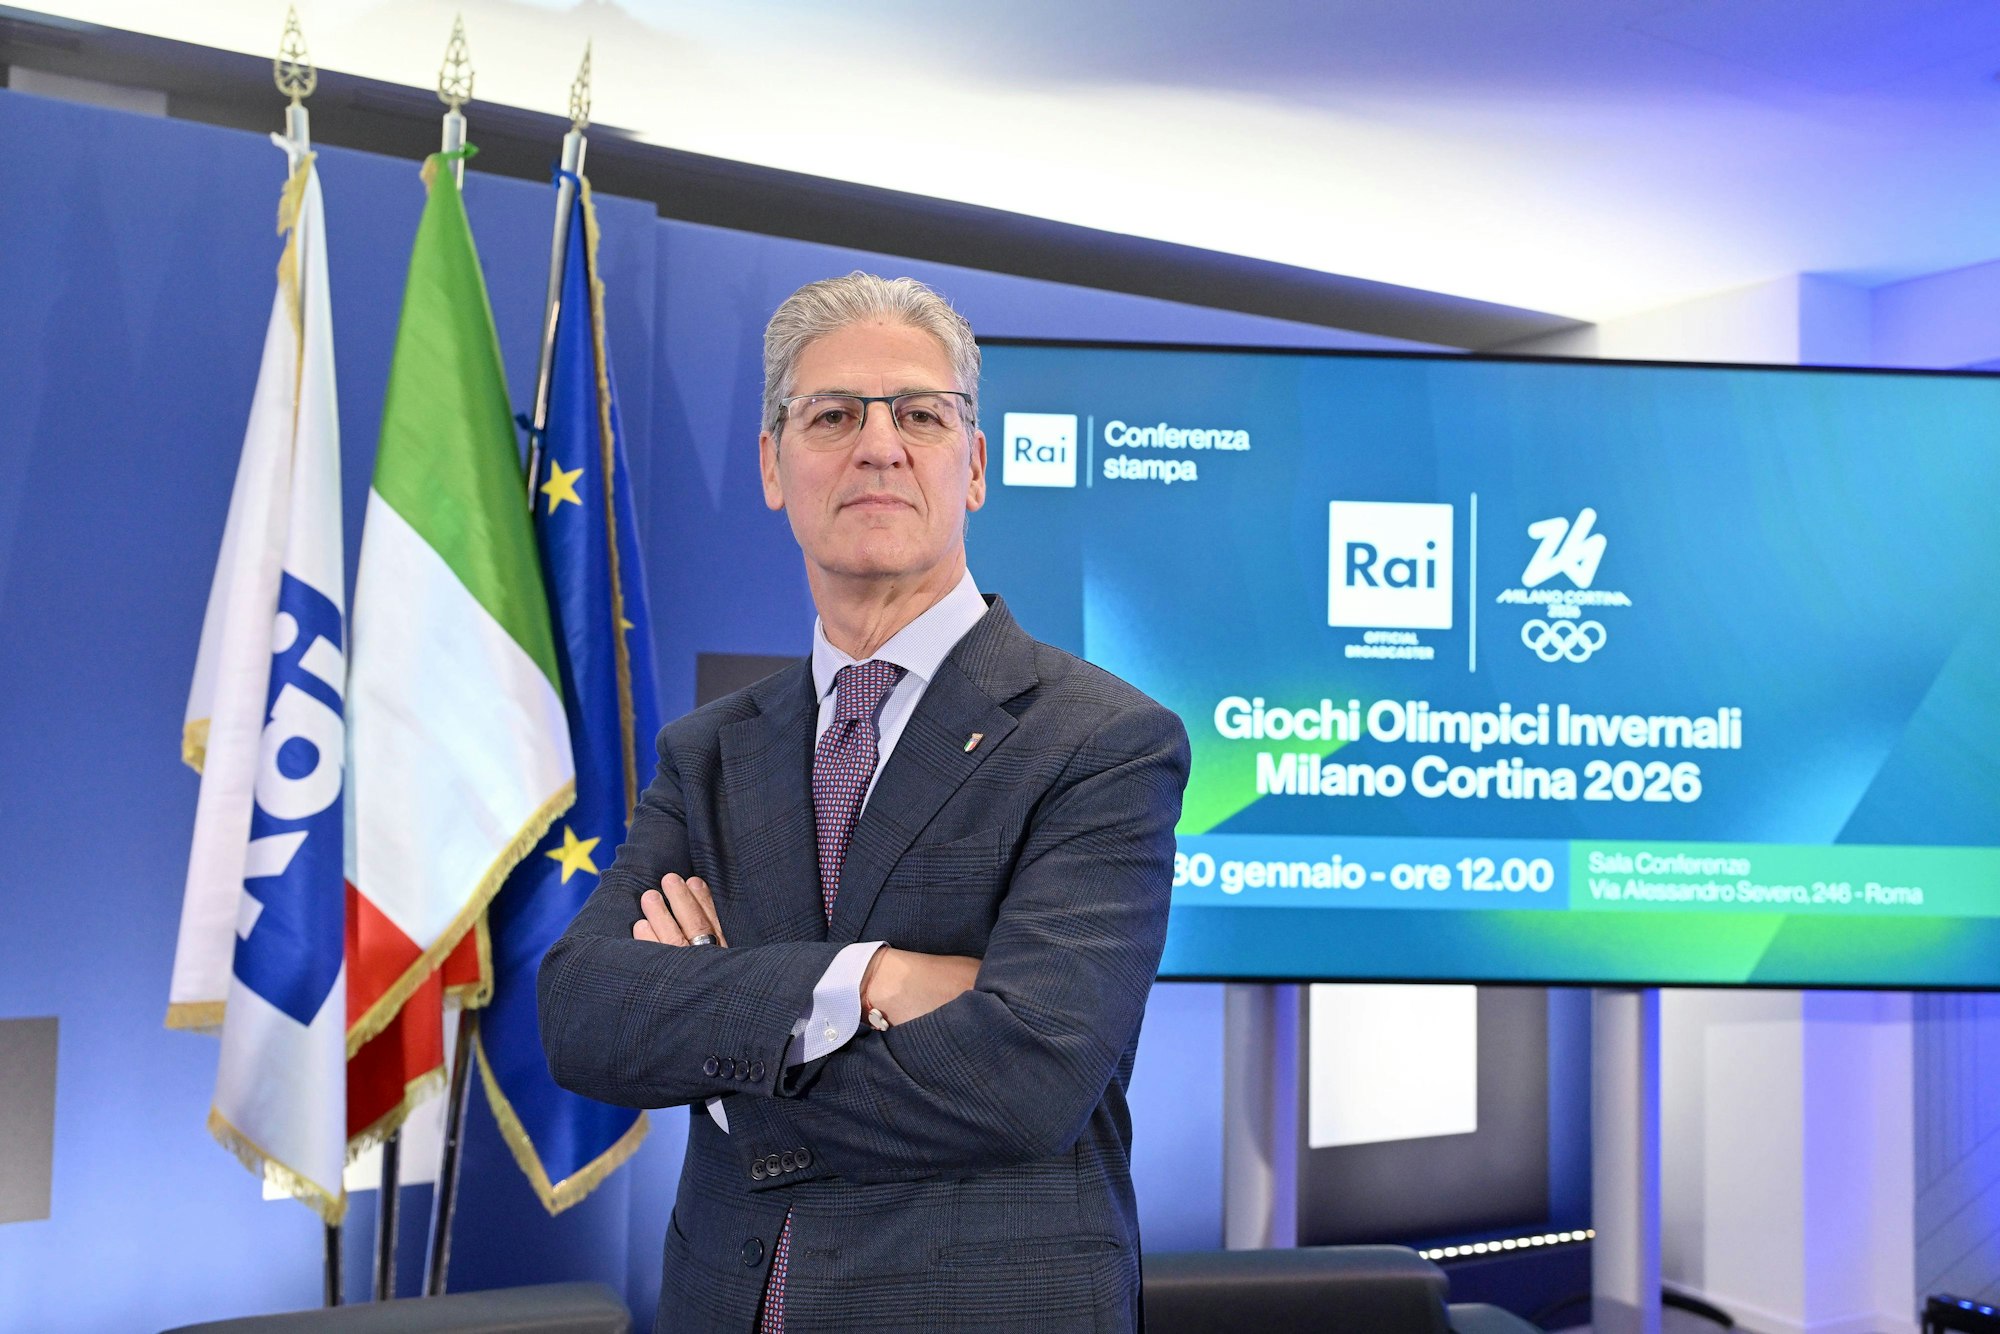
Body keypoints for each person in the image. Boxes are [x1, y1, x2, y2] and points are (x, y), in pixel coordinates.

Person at [538, 272, 1190, 1333]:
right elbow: (584, 1016)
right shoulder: (704, 752)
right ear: (771, 464)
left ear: (973, 466)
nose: (878, 445)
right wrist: (871, 978)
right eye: (833, 414)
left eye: (919, 414)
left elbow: (1027, 1073)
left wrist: (721, 1040)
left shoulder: (1102, 740)